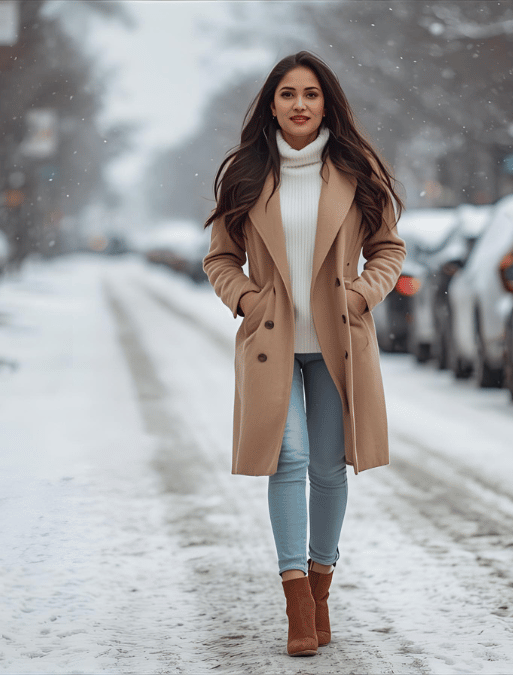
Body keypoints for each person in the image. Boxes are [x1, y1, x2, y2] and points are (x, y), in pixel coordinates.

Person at [202, 51, 406, 657]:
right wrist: (245, 300)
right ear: (271, 103)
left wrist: (363, 296)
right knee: (286, 458)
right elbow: (219, 258)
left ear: (327, 103)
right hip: (273, 344)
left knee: (327, 466)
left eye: (311, 94)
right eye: (287, 94)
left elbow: (388, 249)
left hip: (338, 343)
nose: (299, 105)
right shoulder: (244, 172)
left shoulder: (356, 168)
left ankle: (321, 588)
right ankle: (296, 598)